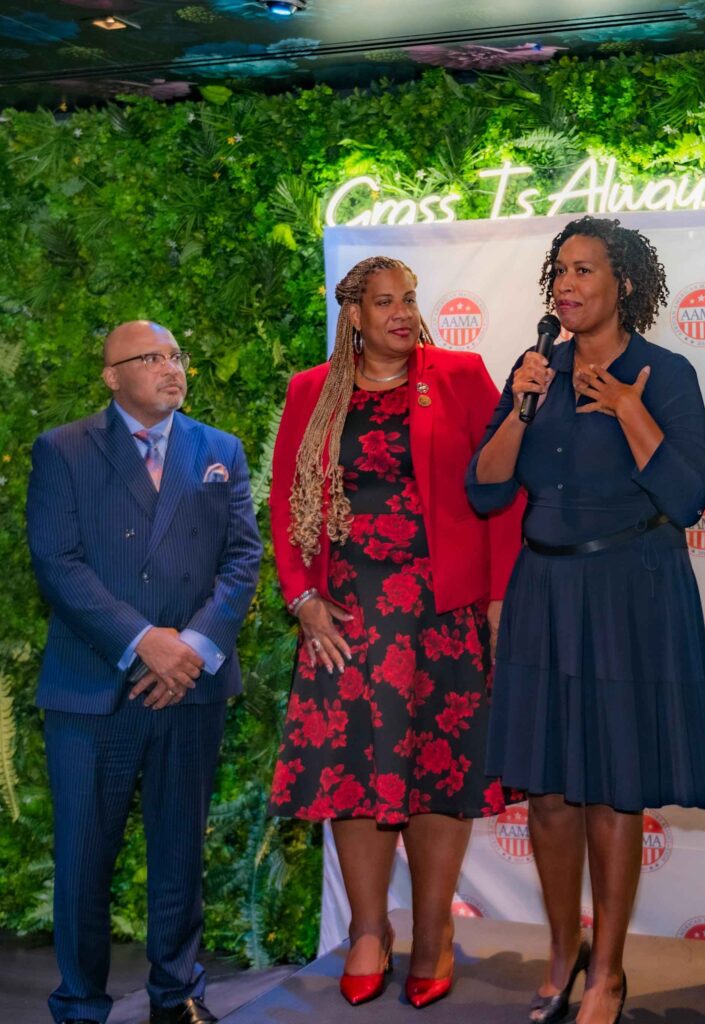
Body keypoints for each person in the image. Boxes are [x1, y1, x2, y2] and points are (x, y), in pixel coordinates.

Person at [469, 216, 705, 1024]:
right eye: (560, 271)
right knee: (547, 792)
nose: (567, 284)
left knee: (615, 789)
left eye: (584, 270)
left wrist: (625, 408)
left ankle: (609, 973)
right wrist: (521, 405)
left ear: (625, 284)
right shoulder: (534, 369)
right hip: (544, 591)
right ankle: (563, 953)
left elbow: (688, 497)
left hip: (628, 593)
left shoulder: (665, 373)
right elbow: (485, 489)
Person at [267, 256, 521, 1009]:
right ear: (354, 315)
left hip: (443, 612)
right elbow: (286, 498)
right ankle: (369, 930)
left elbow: (502, 488)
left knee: (441, 773)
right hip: (346, 617)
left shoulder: (459, 376)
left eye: (408, 299)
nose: (402, 313)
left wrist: (499, 598)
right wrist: (302, 598)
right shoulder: (312, 391)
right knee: (354, 774)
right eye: (384, 303)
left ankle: (435, 930)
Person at [27, 321, 262, 1024]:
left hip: (189, 685)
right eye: (150, 358)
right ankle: (80, 1004)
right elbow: (58, 562)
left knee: (180, 850)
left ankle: (177, 994)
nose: (170, 368)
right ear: (112, 376)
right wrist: (142, 642)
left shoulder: (219, 450)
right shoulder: (64, 449)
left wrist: (190, 648)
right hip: (93, 686)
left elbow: (242, 559)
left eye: (176, 356)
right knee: (83, 859)